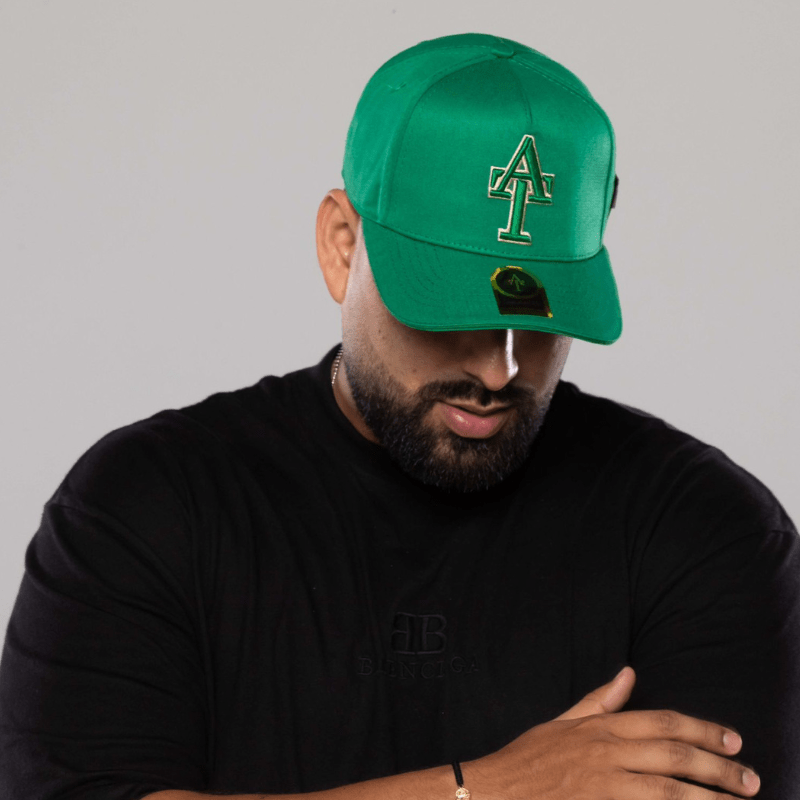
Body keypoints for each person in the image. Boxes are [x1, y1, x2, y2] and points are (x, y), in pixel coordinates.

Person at [0, 31, 797, 800]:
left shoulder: (703, 528)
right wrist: (489, 791)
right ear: (342, 246)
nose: (498, 370)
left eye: (539, 316)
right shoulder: (146, 505)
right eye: (449, 306)